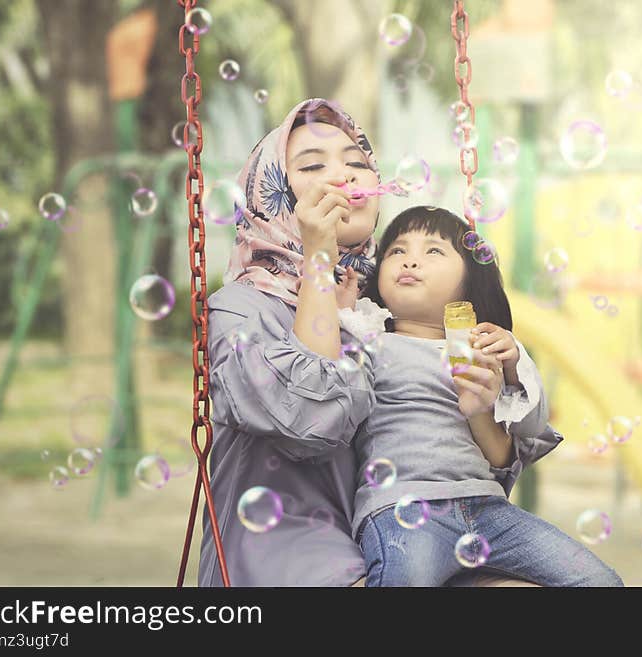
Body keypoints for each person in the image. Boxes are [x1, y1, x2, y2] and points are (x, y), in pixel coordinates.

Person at [198, 98, 547, 586]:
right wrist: (318, 256)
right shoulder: (242, 308)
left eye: (357, 163)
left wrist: (485, 405)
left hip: (400, 534)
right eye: (313, 166)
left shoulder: (380, 310)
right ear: (271, 194)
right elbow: (312, 422)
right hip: (288, 554)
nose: (344, 177)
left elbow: (467, 466)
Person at [347, 206, 625, 587]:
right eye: (397, 250)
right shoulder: (368, 341)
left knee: (599, 582)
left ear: (468, 280)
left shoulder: (480, 347)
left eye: (433, 251)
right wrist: (340, 306)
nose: (410, 259)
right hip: (403, 506)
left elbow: (530, 424)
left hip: (486, 506)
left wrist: (512, 363)